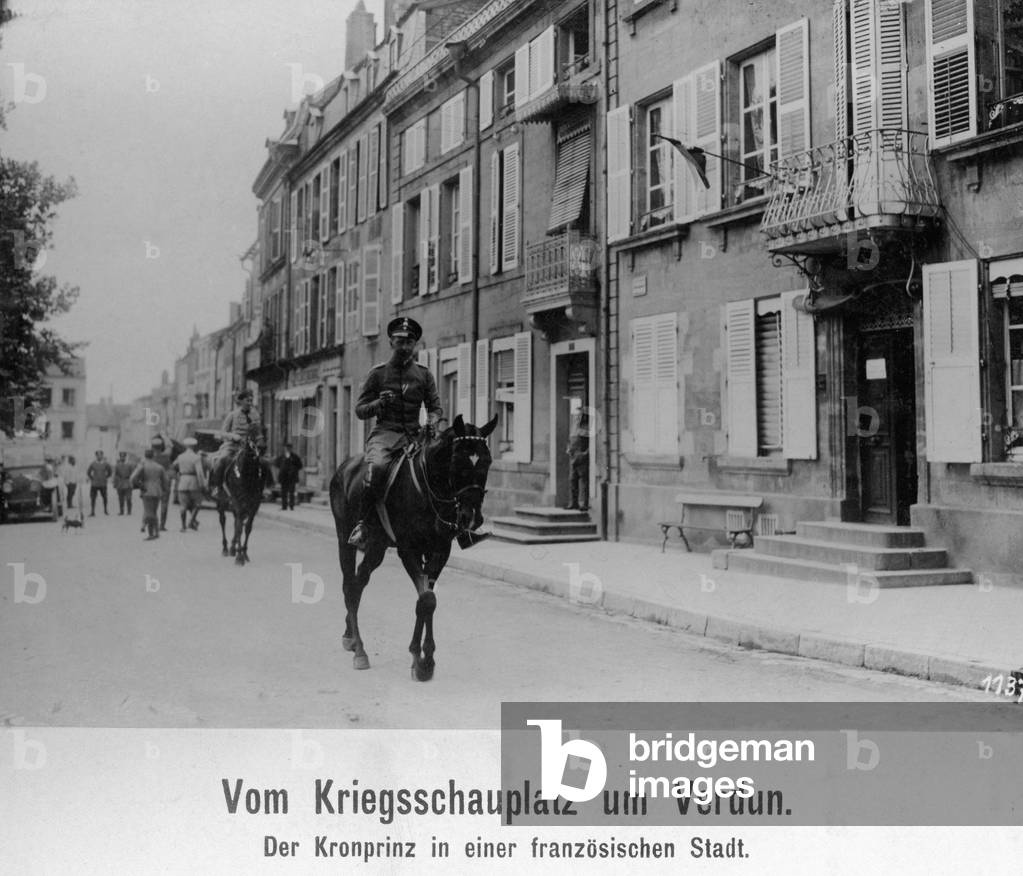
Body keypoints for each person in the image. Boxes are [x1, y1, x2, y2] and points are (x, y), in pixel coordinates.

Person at [348, 316, 442, 550]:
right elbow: (360, 410)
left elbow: (436, 407)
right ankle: (363, 524)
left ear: (415, 345)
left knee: (442, 467)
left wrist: (432, 421)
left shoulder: (424, 374)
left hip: (415, 436)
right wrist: (378, 404)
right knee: (377, 468)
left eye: (409, 342)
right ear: (391, 342)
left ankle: (454, 527)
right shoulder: (378, 374)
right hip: (385, 436)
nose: (405, 347)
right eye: (400, 341)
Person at [208, 389, 264, 502]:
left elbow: (258, 432)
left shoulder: (255, 415)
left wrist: (259, 440)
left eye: (251, 400)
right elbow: (222, 433)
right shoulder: (232, 415)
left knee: (263, 464)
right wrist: (233, 436)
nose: (250, 403)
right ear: (241, 401)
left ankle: (260, 489)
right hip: (232, 446)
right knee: (222, 460)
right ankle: (218, 488)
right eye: (247, 400)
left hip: (250, 447)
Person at [131, 448, 169, 540]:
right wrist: (164, 490)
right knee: (154, 512)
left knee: (149, 512)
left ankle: (151, 534)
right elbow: (166, 480)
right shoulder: (159, 467)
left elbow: (133, 478)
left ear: (145, 456)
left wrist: (140, 486)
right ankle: (156, 532)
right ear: (154, 456)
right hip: (157, 491)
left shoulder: (142, 466)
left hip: (146, 491)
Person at [172, 437, 206, 531]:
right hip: (194, 482)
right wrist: (203, 484)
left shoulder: (180, 456)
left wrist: (178, 475)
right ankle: (191, 521)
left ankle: (183, 526)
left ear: (185, 446)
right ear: (194, 446)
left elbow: (174, 466)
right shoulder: (196, 457)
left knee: (183, 505)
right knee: (197, 504)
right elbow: (199, 473)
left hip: (182, 482)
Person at [566, 410, 590, 512]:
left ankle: (585, 503)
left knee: (584, 481)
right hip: (573, 458)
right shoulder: (573, 429)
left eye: (579, 416)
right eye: (576, 416)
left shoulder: (586, 429)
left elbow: (592, 444)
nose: (577, 418)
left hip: (582, 458)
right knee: (572, 480)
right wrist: (568, 449)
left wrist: (585, 454)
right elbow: (569, 441)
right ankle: (573, 502)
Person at [149, 436, 173, 531]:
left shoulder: (150, 458)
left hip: (153, 484)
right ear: (161, 446)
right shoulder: (166, 456)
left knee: (153, 505)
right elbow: (170, 446)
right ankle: (162, 525)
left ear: (152, 447)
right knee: (164, 504)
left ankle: (154, 524)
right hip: (164, 483)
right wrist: (165, 436)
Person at [274, 442, 303, 511]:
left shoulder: (295, 457)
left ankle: (291, 506)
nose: (288, 449)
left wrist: (294, 469)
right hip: (284, 477)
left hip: (292, 477)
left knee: (291, 492)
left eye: (289, 448)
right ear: (285, 449)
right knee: (283, 492)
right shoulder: (282, 457)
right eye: (287, 448)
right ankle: (284, 506)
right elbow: (277, 464)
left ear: (291, 449)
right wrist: (282, 469)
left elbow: (300, 466)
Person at [86, 450, 113, 516]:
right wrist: (92, 478)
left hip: (103, 484)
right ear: (96, 456)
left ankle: (105, 510)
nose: (99, 456)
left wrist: (105, 477)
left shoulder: (106, 464)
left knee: (105, 497)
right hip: (94, 484)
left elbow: (110, 471)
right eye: (98, 455)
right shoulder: (93, 464)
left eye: (100, 455)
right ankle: (92, 511)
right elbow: (88, 472)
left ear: (102, 456)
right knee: (93, 498)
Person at [113, 451, 134, 515]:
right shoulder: (117, 465)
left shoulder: (129, 465)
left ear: (125, 457)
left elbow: (133, 474)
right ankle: (121, 511)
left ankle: (129, 511)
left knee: (128, 498)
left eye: (123, 456)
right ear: (120, 457)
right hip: (120, 483)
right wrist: (115, 484)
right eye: (121, 457)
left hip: (128, 483)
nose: (122, 458)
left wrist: (132, 483)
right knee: (120, 498)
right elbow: (115, 475)